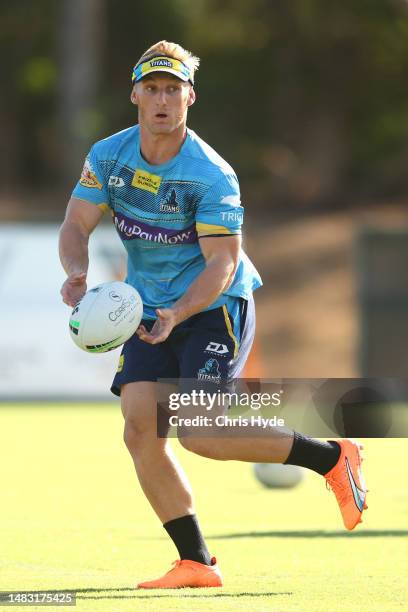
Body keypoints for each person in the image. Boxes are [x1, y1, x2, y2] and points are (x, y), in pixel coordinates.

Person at [59, 40, 367, 589]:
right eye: (151, 88)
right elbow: (76, 223)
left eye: (172, 90)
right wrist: (77, 272)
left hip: (212, 306)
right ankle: (195, 562)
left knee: (201, 431)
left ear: (189, 98)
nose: (161, 100)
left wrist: (177, 313)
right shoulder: (108, 155)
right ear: (134, 94)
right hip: (146, 308)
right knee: (138, 428)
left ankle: (332, 457)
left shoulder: (211, 174)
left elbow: (222, 265)